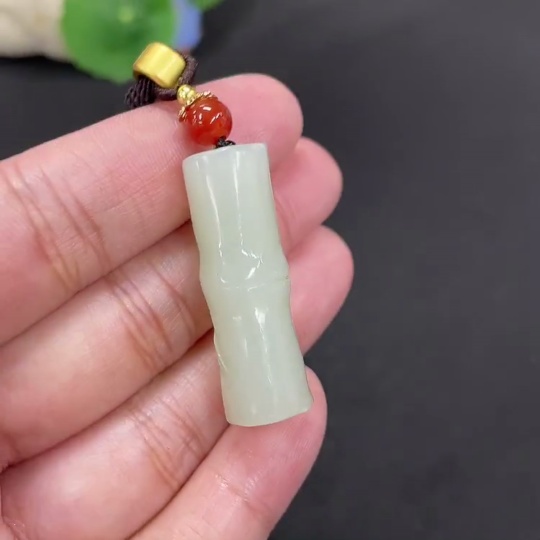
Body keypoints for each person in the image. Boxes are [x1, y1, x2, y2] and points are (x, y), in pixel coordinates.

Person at [0, 74, 353, 539]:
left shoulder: (229, 172)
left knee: (255, 288)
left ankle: (271, 393)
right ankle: (266, 394)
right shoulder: (221, 176)